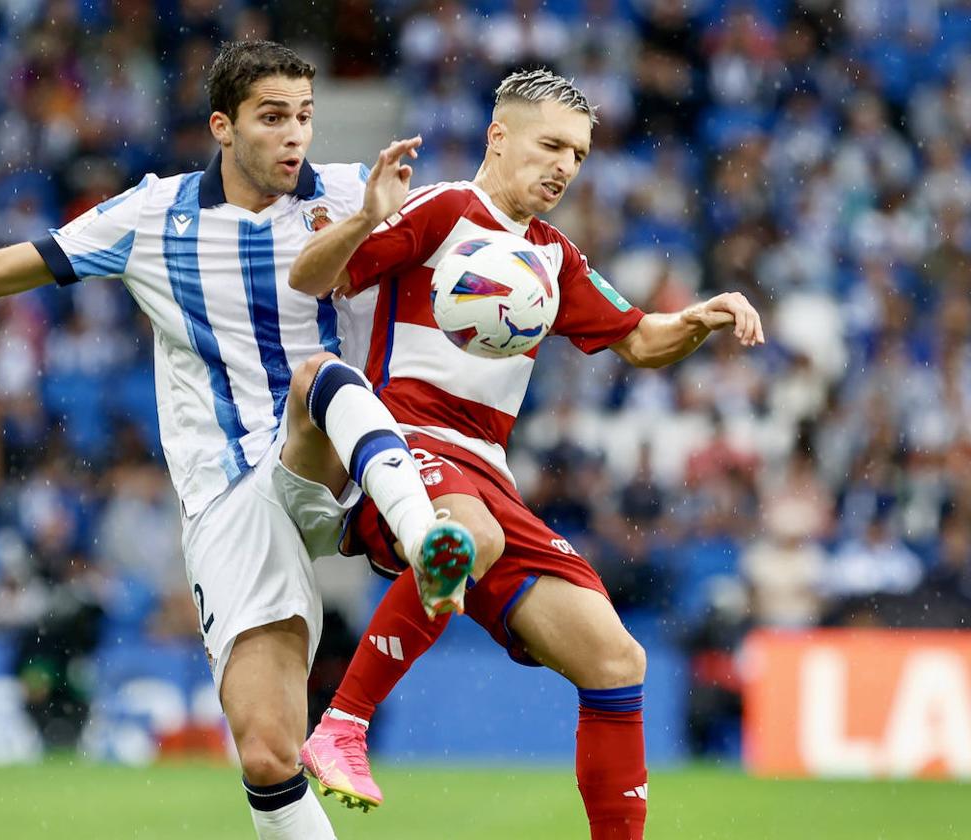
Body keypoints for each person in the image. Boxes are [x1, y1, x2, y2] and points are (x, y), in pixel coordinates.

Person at [0, 40, 474, 840]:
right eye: (273, 117)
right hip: (230, 495)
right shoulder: (152, 216)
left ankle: (428, 542)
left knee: (317, 377)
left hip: (336, 451)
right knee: (268, 755)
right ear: (223, 125)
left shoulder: (356, 193)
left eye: (305, 117)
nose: (295, 136)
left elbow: (485, 225)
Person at [289, 68, 765, 838]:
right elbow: (315, 277)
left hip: (488, 477)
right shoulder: (444, 209)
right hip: (402, 443)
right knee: (471, 535)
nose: (564, 167)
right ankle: (342, 724)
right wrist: (365, 220)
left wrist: (700, 318)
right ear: (498, 137)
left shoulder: (554, 256)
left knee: (617, 660)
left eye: (577, 155)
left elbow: (641, 340)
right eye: (550, 145)